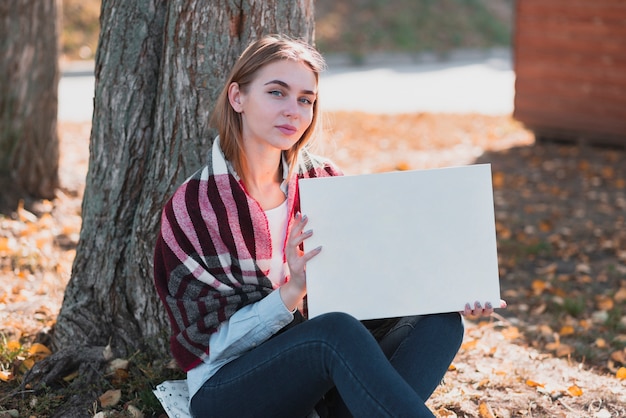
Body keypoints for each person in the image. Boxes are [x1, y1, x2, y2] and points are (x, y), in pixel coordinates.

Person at [153, 34, 506, 418]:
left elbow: (372, 287)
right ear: (237, 97)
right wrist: (293, 291)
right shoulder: (196, 207)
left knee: (442, 323)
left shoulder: (324, 182)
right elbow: (211, 345)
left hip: (319, 381)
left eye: (305, 99)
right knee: (334, 332)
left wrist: (451, 290)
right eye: (277, 93)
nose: (293, 110)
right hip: (229, 389)